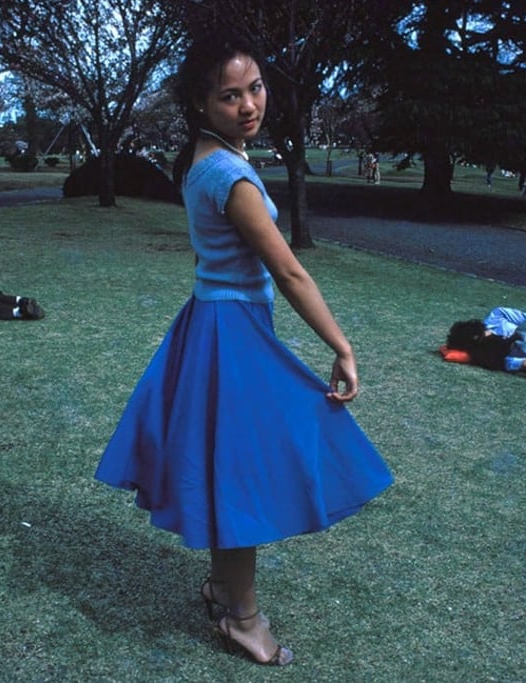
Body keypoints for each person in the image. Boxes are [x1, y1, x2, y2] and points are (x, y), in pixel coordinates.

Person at [93, 35, 392, 666]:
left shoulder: (204, 158)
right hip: (230, 337)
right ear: (201, 103)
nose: (248, 104)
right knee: (243, 477)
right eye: (229, 96)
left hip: (216, 326)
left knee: (228, 469)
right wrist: (342, 346)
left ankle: (223, 586)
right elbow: (290, 273)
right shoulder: (231, 177)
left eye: (254, 88)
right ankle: (242, 618)